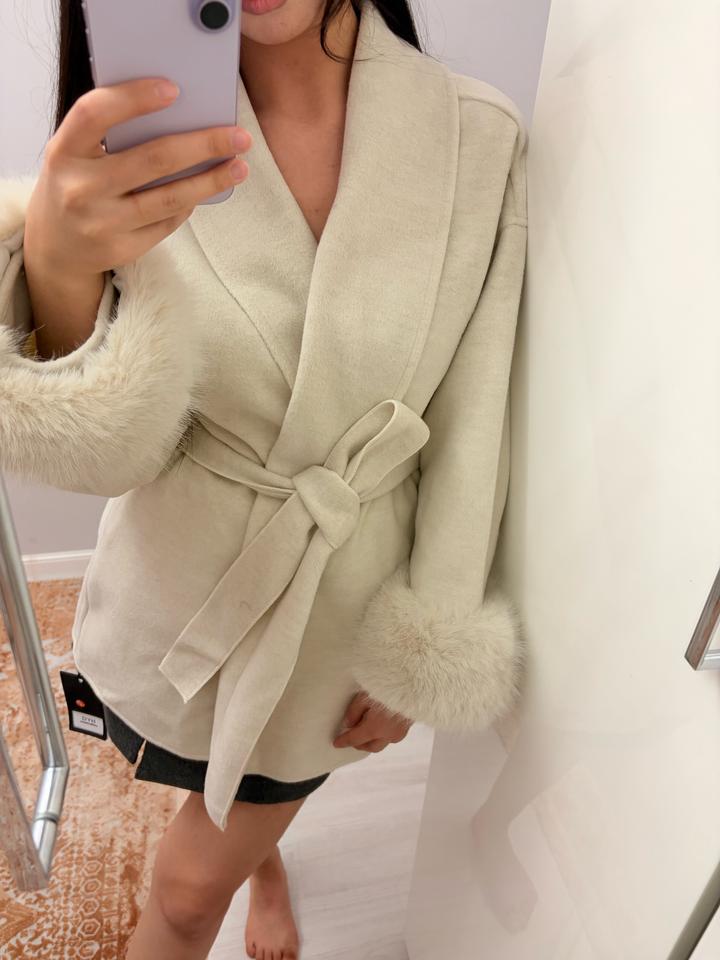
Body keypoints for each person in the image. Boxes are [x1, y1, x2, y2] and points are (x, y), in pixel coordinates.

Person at [0, 0, 529, 956]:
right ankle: (266, 865)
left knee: (185, 892)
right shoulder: (136, 139)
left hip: (335, 599)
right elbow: (117, 458)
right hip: (176, 587)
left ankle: (244, 861)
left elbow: (474, 412)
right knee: (197, 774)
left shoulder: (479, 138)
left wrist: (431, 635)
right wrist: (57, 268)